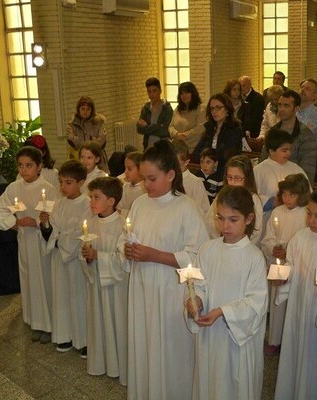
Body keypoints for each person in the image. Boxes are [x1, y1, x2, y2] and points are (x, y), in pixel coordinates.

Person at [120, 139, 209, 400]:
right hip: (142, 287)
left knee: (170, 351)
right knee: (145, 344)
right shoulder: (139, 204)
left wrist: (154, 255)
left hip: (171, 290)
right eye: (144, 178)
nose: (146, 185)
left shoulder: (186, 208)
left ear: (171, 175)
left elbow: (197, 255)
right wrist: (126, 250)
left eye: (152, 178)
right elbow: (128, 237)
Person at [186, 185, 268, 400]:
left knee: (234, 385)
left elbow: (256, 302)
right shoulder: (208, 249)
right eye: (220, 218)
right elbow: (197, 283)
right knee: (209, 380)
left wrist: (222, 312)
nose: (225, 226)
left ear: (249, 219)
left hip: (237, 338)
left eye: (233, 219)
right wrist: (196, 300)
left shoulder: (254, 257)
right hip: (210, 334)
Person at [274, 185, 317, 400]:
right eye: (309, 214)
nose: (311, 221)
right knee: (294, 355)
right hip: (297, 307)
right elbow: (291, 264)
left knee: (316, 362)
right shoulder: (300, 237)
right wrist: (284, 275)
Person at [0, 146, 58, 343]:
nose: (24, 170)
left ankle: (49, 324)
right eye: (21, 166)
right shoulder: (14, 188)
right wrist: (13, 223)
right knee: (29, 280)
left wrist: (39, 223)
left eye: (29, 166)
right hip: (24, 241)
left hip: (42, 243)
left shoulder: (48, 189)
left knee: (43, 280)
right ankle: (34, 321)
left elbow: (54, 217)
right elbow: (1, 208)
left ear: (39, 166)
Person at [80, 177, 128, 385]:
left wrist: (99, 255)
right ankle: (103, 363)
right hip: (97, 286)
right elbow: (86, 255)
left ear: (111, 200)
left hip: (118, 289)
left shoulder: (123, 223)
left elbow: (125, 259)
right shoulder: (91, 222)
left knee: (117, 323)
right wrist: (87, 257)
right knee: (100, 321)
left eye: (96, 197)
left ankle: (122, 366)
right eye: (91, 197)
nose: (91, 202)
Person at [39, 160, 90, 355]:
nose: (63, 187)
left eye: (68, 182)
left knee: (78, 298)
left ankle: (84, 340)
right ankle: (65, 336)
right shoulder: (58, 204)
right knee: (62, 298)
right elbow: (53, 229)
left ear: (81, 182)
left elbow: (82, 231)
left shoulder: (87, 204)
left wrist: (63, 241)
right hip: (59, 258)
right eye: (61, 182)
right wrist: (45, 225)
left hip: (76, 260)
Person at [261, 173, 310, 356]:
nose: (287, 199)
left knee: (292, 302)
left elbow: (306, 239)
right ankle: (274, 340)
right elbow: (268, 237)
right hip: (278, 262)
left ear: (302, 194)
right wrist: (273, 247)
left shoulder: (306, 213)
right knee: (277, 301)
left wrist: (288, 249)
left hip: (297, 265)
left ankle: (290, 343)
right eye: (285, 194)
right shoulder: (277, 212)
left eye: (293, 195)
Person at [261, 90, 317, 184]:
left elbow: (307, 172)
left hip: (294, 186)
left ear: (296, 109)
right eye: (280, 105)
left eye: (286, 105)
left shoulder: (306, 136)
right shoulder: (272, 132)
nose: (281, 109)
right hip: (270, 181)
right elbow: (263, 161)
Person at [206, 155, 263, 246]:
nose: (232, 182)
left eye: (237, 178)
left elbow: (257, 232)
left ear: (247, 178)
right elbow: (210, 224)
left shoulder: (253, 200)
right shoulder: (221, 196)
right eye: (229, 177)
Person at [253, 128, 310, 214]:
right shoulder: (259, 170)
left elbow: (307, 192)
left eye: (290, 150)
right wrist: (272, 202)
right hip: (268, 216)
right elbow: (253, 197)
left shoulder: (296, 169)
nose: (288, 153)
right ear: (271, 151)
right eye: (284, 150)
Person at [193, 92, 243, 174]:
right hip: (207, 169)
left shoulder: (235, 129)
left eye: (218, 108)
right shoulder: (210, 128)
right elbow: (197, 152)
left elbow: (228, 155)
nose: (214, 112)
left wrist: (210, 160)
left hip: (226, 171)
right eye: (212, 108)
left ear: (227, 109)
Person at [66, 96, 109, 171]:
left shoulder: (99, 122)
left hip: (97, 160)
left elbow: (101, 143)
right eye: (83, 109)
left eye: (88, 109)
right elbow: (73, 143)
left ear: (92, 110)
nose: (85, 112)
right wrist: (93, 141)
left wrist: (79, 140)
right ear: (78, 109)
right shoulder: (73, 124)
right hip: (79, 159)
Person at [172, 139, 210, 215]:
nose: (171, 167)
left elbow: (203, 212)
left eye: (176, 164)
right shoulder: (162, 178)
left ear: (186, 162)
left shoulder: (195, 182)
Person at [168, 81, 206, 152]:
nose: (184, 95)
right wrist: (177, 134)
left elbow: (200, 128)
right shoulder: (178, 109)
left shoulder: (201, 108)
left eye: (187, 93)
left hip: (194, 149)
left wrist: (184, 135)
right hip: (177, 148)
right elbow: (171, 126)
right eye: (181, 93)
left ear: (193, 93)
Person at [137, 77, 173, 149]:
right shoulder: (145, 108)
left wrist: (147, 127)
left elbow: (165, 131)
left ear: (160, 91)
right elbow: (140, 129)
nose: (152, 94)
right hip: (148, 147)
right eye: (149, 92)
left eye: (154, 91)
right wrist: (159, 126)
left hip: (163, 147)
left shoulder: (167, 108)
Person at [297, 79, 317, 153]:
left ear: (314, 95)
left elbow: (306, 135)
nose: (302, 90)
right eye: (301, 87)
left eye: (307, 89)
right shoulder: (293, 110)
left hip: (310, 154)